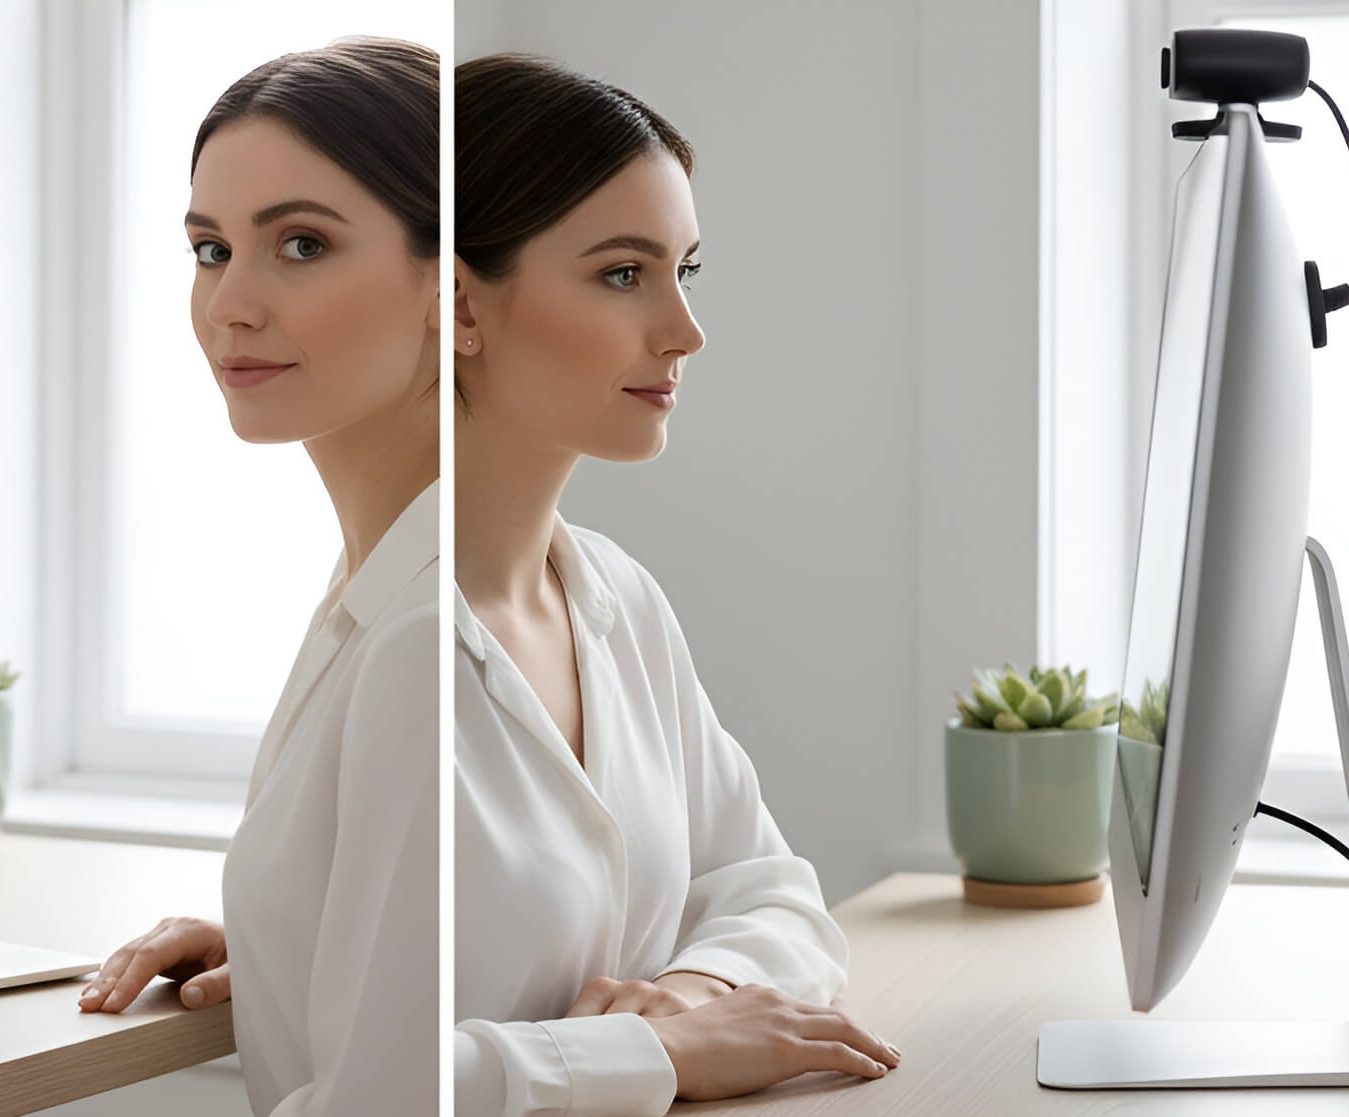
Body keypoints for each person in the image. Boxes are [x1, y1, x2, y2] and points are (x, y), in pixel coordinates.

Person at [451, 54, 900, 1114]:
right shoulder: (389, 644)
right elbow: (358, 1080)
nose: (684, 331)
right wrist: (651, 1058)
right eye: (621, 273)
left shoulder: (615, 598)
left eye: (683, 271)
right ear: (459, 306)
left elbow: (770, 889)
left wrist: (692, 995)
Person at [75, 38, 441, 1117]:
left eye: (300, 243)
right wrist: (303, 937)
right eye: (208, 248)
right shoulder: (372, 580)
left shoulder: (436, 627)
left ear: (448, 277)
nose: (229, 303)